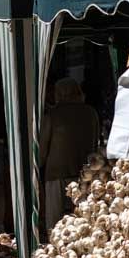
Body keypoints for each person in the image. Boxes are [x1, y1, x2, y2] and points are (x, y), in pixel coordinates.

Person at [39, 77, 100, 232]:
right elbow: (95, 142)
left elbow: (42, 150)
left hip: (56, 174)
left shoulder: (52, 116)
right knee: (83, 221)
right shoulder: (91, 113)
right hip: (85, 174)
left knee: (56, 224)